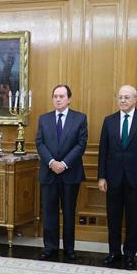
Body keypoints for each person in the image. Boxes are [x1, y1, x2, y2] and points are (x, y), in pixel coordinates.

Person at [97, 85, 137, 270]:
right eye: (120, 97)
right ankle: (114, 251)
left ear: (135, 99)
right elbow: (103, 151)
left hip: (136, 177)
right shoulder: (109, 121)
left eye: (127, 97)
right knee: (113, 216)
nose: (123, 100)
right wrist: (101, 177)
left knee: (133, 217)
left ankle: (130, 254)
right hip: (112, 178)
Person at [35, 84, 88, 261]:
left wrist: (64, 164)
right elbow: (39, 143)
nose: (58, 99)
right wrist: (51, 162)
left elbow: (81, 145)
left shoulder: (80, 118)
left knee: (69, 212)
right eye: (55, 96)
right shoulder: (44, 119)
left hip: (70, 173)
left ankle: (69, 249)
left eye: (62, 96)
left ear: (69, 99)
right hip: (49, 173)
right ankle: (50, 247)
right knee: (49, 213)